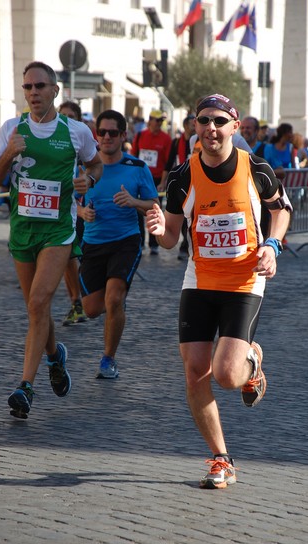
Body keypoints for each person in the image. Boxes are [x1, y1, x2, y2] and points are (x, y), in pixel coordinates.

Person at [145, 93, 292, 489]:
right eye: (204, 120)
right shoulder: (181, 177)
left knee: (227, 375)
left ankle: (251, 364)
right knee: (195, 372)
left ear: (235, 126)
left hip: (245, 280)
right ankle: (220, 458)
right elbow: (173, 237)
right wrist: (160, 233)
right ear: (195, 125)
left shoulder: (255, 169)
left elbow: (281, 210)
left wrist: (272, 246)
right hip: (200, 278)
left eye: (219, 121)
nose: (211, 128)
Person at [0, 61, 102, 418]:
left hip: (58, 232)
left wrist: (89, 181)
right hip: (22, 231)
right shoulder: (10, 128)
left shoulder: (75, 131)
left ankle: (25, 387)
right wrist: (8, 153)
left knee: (39, 301)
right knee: (36, 309)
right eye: (27, 88)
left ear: (55, 90)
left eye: (40, 86)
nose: (33, 93)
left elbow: (95, 165)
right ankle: (55, 356)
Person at [79, 109, 158, 378]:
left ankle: (108, 359)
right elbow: (65, 201)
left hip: (125, 240)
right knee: (90, 310)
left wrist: (134, 202)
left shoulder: (137, 168)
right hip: (92, 243)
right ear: (96, 135)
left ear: (124, 135)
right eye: (102, 132)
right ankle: (117, 306)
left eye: (113, 132)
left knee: (113, 298)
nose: (107, 137)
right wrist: (81, 213)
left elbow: (155, 205)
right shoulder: (85, 167)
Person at [58, 100, 88, 326]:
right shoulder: (55, 146)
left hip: (84, 213)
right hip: (62, 213)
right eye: (62, 115)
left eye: (70, 116)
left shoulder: (84, 148)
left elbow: (96, 172)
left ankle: (87, 300)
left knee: (77, 259)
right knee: (69, 259)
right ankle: (76, 302)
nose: (65, 120)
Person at [131, 109, 171, 254]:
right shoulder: (140, 135)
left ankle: (154, 243)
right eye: (158, 120)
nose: (160, 123)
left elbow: (168, 162)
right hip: (139, 178)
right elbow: (133, 156)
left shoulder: (166, 138)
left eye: (162, 121)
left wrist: (164, 181)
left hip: (156, 179)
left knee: (155, 211)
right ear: (150, 121)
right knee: (137, 209)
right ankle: (140, 241)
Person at [160, 114, 196, 260]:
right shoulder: (177, 142)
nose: (193, 127)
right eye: (191, 124)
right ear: (185, 126)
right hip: (182, 180)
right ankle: (185, 244)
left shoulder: (199, 140)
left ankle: (188, 245)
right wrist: (163, 182)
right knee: (181, 214)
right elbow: (169, 163)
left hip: (197, 180)